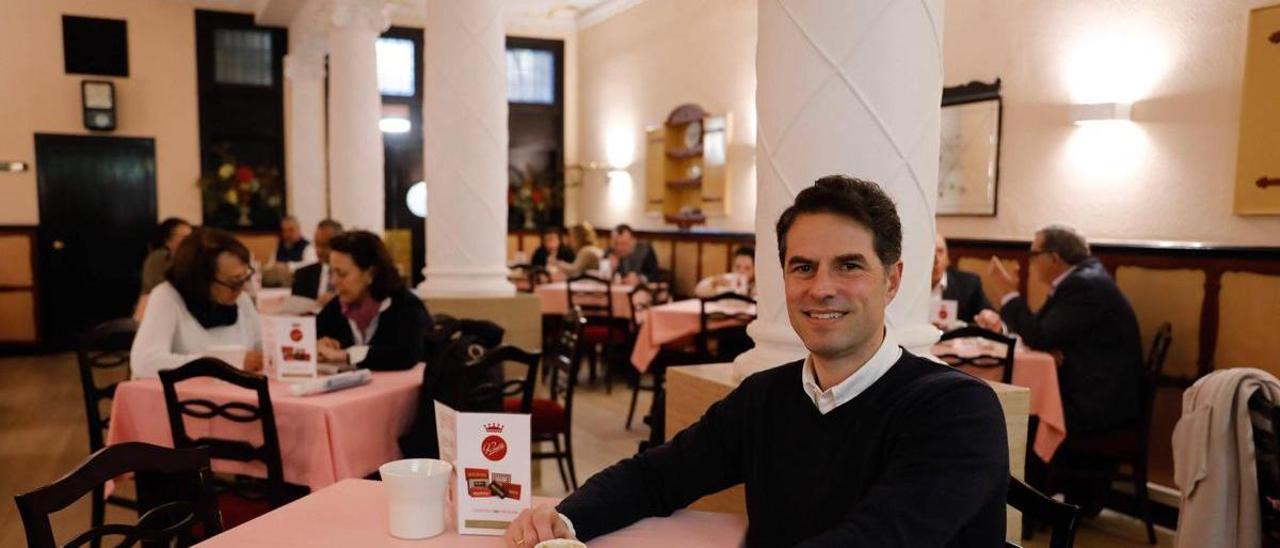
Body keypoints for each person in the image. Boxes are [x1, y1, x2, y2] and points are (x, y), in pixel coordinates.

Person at [505, 175, 1008, 547]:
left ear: (892, 280)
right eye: (802, 267)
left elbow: (877, 539)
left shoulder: (958, 411)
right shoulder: (766, 397)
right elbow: (658, 476)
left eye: (849, 266)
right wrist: (566, 519)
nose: (821, 288)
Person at [975, 224, 1142, 435]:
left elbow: (1040, 336)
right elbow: (1043, 332)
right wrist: (1045, 347)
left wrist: (1009, 293)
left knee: (1011, 410)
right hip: (1094, 386)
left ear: (1054, 258)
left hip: (1097, 400)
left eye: (1034, 254)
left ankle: (1024, 467)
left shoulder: (1084, 285)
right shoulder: (1080, 278)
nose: (1030, 260)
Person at [130, 228, 264, 379]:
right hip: (184, 399)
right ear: (201, 281)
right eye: (233, 282)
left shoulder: (241, 299)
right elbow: (145, 362)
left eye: (244, 277)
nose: (241, 289)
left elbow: (263, 346)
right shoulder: (168, 297)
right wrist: (228, 363)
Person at [314, 230, 430, 371]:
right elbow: (310, 336)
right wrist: (318, 345)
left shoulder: (406, 306)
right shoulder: (337, 306)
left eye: (342, 274)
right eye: (331, 272)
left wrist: (346, 355)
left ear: (370, 273)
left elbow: (406, 355)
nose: (334, 281)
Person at [931, 233, 993, 325]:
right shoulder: (908, 285)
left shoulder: (969, 284)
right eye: (931, 252)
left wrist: (994, 322)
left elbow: (991, 320)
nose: (936, 259)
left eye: (940, 251)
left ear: (947, 258)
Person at [291, 219, 343, 305]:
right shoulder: (302, 276)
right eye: (317, 245)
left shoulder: (353, 277)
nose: (319, 251)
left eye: (325, 245)